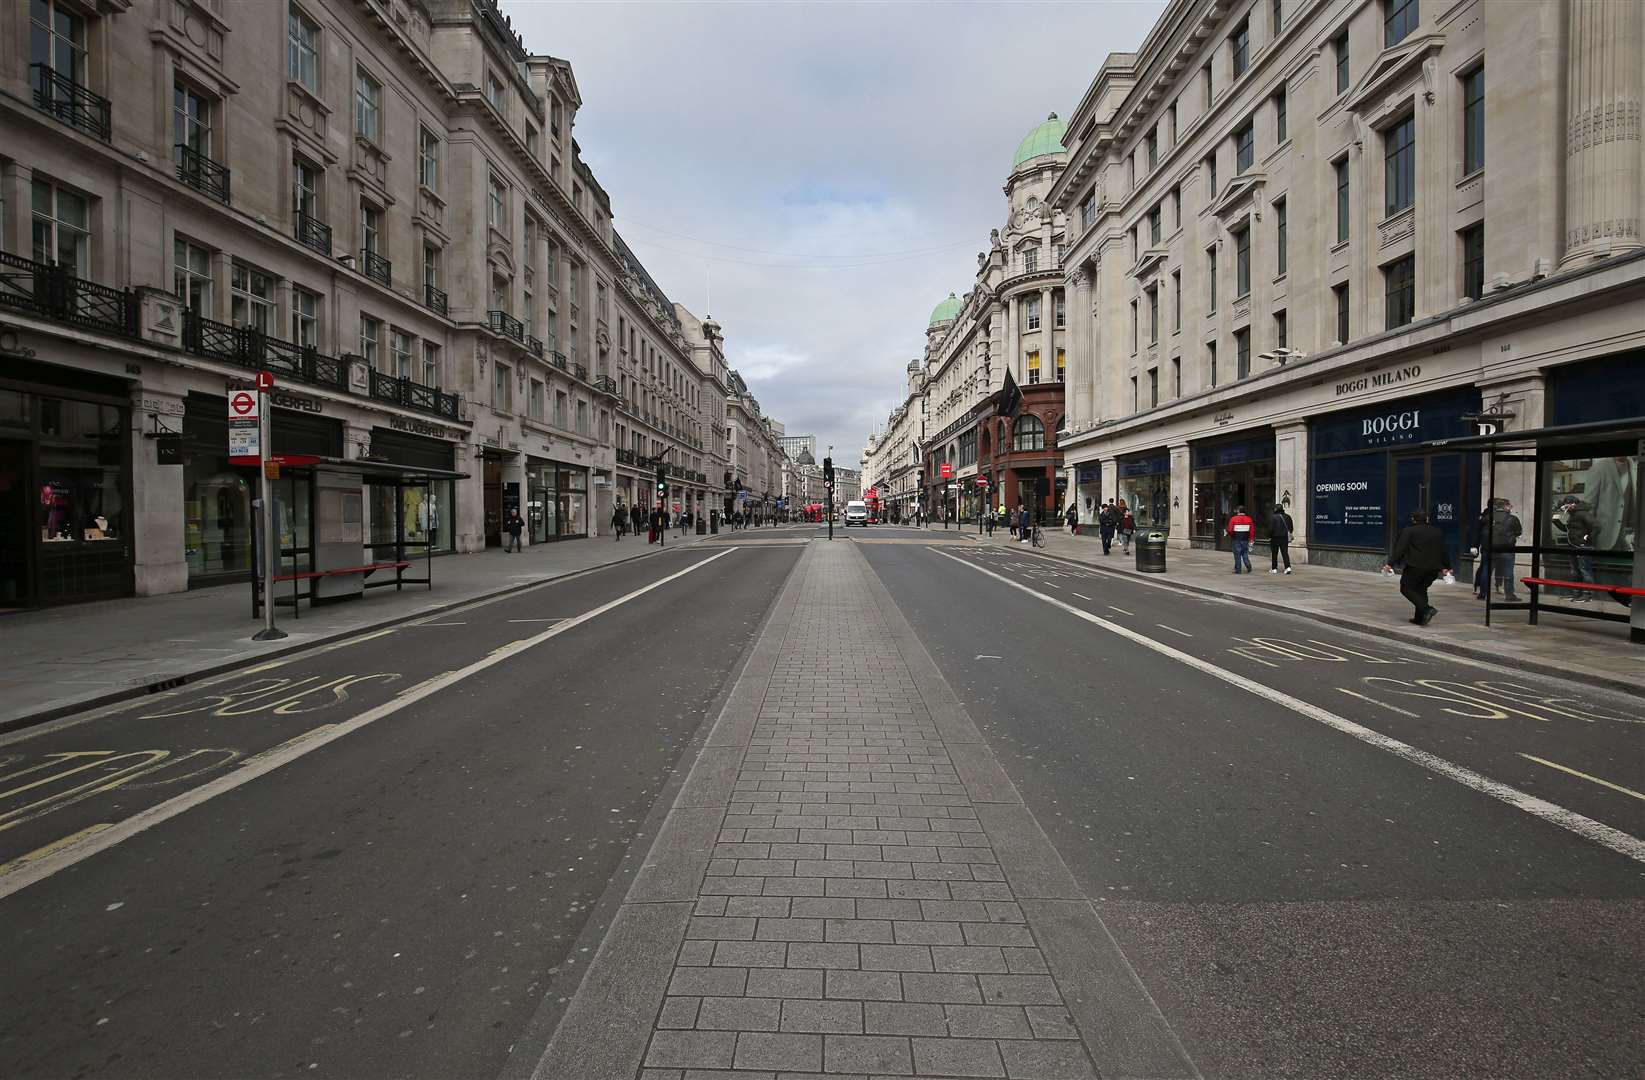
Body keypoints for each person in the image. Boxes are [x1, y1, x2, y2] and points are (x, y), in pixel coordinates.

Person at [1385, 510, 1452, 626]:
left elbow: (1400, 549)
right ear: (1426, 519)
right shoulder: (1437, 531)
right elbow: (1443, 550)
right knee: (1421, 590)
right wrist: (1447, 566)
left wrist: (1390, 563)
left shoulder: (1409, 531)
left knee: (1406, 588)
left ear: (1413, 519)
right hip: (1433, 568)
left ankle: (1426, 609)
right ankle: (1419, 618)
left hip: (1415, 566)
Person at [1555, 495, 1598, 601]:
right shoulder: (1573, 515)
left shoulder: (1583, 514)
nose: (1565, 507)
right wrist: (1556, 521)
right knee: (1575, 570)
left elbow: (1597, 526)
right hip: (1573, 545)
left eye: (1567, 504)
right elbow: (1568, 530)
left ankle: (1587, 594)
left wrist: (1588, 537)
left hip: (1582, 546)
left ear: (1573, 504)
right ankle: (1576, 593)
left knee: (1584, 570)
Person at [1481, 497, 1523, 601]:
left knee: (1486, 570)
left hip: (1490, 548)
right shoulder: (1512, 518)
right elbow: (1518, 532)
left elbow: (1481, 531)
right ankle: (1509, 595)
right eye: (1510, 505)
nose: (1511, 507)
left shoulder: (1487, 518)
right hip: (1507, 549)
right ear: (1505, 507)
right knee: (1508, 572)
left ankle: (1483, 593)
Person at [1226, 505, 1254, 573]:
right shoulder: (1249, 519)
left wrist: (1232, 536)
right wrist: (1251, 539)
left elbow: (1230, 530)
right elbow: (1252, 531)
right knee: (1245, 553)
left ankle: (1238, 569)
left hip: (1236, 539)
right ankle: (1248, 566)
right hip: (1245, 539)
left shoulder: (1233, 519)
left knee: (1237, 555)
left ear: (1238, 511)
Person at [1268, 502, 1294, 574]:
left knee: (1274, 553)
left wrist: (1269, 536)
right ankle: (1288, 567)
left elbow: (1271, 529)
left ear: (1275, 509)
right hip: (1284, 538)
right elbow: (1291, 528)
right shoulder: (1288, 517)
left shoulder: (1273, 517)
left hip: (1274, 538)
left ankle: (1274, 568)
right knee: (1285, 553)